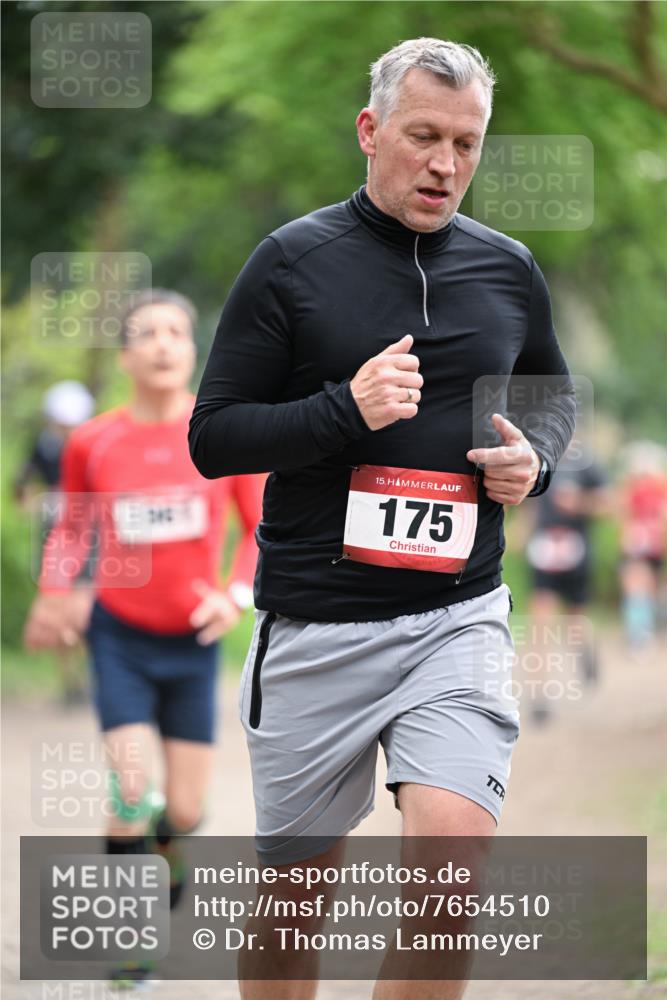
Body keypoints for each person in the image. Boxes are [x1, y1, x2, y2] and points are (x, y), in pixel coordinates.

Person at [190, 38, 576, 1000]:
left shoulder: (506, 267)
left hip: (455, 618)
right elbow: (214, 437)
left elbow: (549, 391)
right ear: (370, 132)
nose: (446, 164)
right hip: (316, 626)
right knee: (291, 911)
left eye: (467, 143)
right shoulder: (291, 262)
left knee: (450, 873)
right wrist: (341, 412)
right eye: (423, 137)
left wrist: (537, 456)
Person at [24, 289, 264, 987]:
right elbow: (71, 528)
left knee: (183, 809)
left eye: (176, 332)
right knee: (130, 791)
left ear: (193, 350)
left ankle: (170, 843)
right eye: (147, 334)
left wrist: (234, 597)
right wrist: (55, 591)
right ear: (125, 355)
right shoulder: (92, 441)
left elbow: (259, 531)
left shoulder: (222, 435)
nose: (163, 344)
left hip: (191, 643)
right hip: (119, 638)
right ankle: (132, 945)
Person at [14, 380, 95, 705]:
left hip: (90, 537)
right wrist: (35, 500)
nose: (65, 430)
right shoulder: (43, 445)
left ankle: (95, 676)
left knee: (87, 608)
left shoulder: (92, 445)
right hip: (53, 536)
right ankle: (70, 682)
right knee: (58, 607)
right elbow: (21, 485)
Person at [524, 441, 610, 723]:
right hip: (544, 553)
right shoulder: (537, 456)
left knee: (575, 620)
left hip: (576, 553)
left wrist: (580, 504)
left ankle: (585, 651)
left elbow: (608, 505)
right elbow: (530, 503)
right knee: (541, 623)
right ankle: (540, 695)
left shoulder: (587, 463)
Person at [618, 441, 667, 648]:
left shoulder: (641, 487)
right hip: (643, 545)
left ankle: (640, 635)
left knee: (641, 591)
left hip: (643, 545)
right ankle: (640, 634)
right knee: (641, 590)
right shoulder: (648, 487)